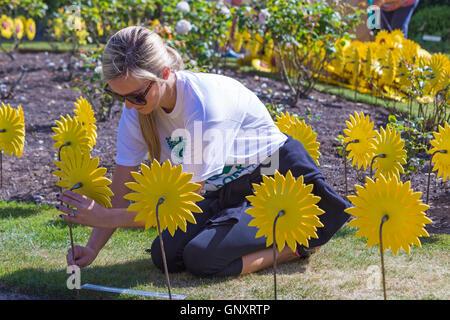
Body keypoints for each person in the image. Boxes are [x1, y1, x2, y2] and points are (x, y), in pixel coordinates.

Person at [56, 26, 350, 278]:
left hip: (276, 179)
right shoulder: (136, 108)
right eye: (118, 95)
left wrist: (107, 217)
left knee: (202, 259)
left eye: (135, 95)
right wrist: (92, 248)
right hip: (223, 185)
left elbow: (181, 203)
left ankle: (294, 246)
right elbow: (121, 191)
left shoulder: (205, 108)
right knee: (165, 257)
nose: (129, 105)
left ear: (165, 73)